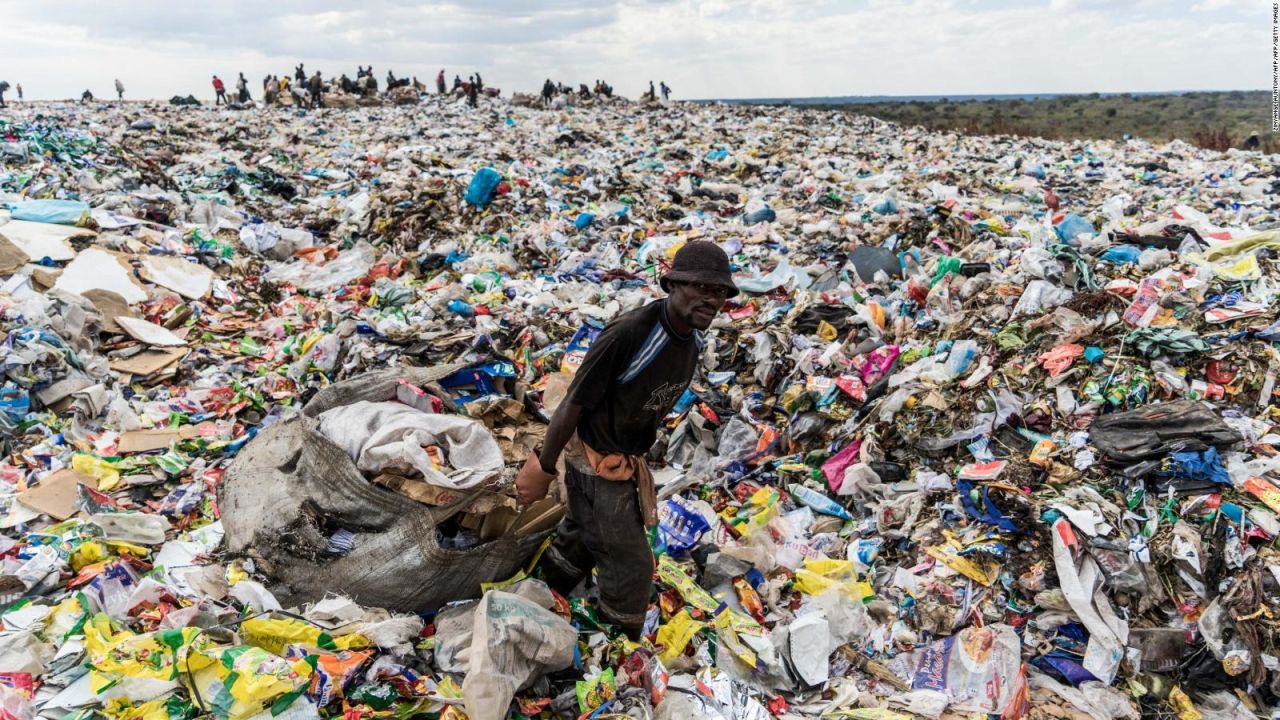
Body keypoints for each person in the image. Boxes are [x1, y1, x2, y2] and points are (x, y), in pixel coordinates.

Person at [518, 241, 738, 639]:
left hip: (623, 460)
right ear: (672, 284)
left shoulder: (689, 343)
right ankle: (616, 648)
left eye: (719, 292)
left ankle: (537, 594)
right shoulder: (632, 333)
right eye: (702, 288)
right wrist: (544, 466)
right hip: (595, 461)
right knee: (632, 567)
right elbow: (574, 402)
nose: (712, 299)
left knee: (584, 538)